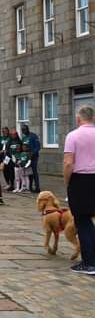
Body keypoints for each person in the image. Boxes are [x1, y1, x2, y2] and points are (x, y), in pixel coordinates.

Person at [63, 105, 95, 274]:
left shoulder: (73, 136)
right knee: (89, 221)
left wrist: (67, 182)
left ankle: (89, 263)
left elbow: (68, 162)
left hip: (80, 180)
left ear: (79, 118)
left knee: (82, 221)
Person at [21, 125, 41, 193]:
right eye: (22, 130)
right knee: (29, 172)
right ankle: (29, 187)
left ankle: (37, 187)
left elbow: (38, 146)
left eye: (24, 130)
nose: (23, 131)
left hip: (33, 157)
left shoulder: (33, 136)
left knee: (34, 172)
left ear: (27, 129)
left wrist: (33, 153)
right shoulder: (23, 138)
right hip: (26, 157)